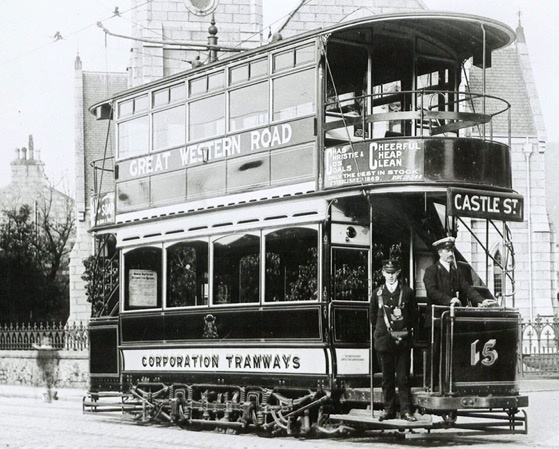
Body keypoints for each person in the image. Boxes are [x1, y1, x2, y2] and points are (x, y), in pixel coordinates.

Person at [371, 259, 417, 422]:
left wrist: (403, 330)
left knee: (403, 378)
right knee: (387, 378)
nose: (390, 276)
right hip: (384, 341)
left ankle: (406, 411)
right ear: (383, 273)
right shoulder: (377, 293)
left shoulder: (407, 292)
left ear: (398, 273)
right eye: (387, 273)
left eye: (393, 273)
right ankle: (388, 410)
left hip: (402, 340)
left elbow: (413, 316)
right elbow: (372, 317)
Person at [423, 236, 484, 308]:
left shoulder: (456, 271)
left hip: (452, 314)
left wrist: (481, 300)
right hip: (437, 315)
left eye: (452, 250)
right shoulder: (431, 271)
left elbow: (467, 288)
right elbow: (432, 292)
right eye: (447, 251)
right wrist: (450, 300)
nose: (451, 254)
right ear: (440, 252)